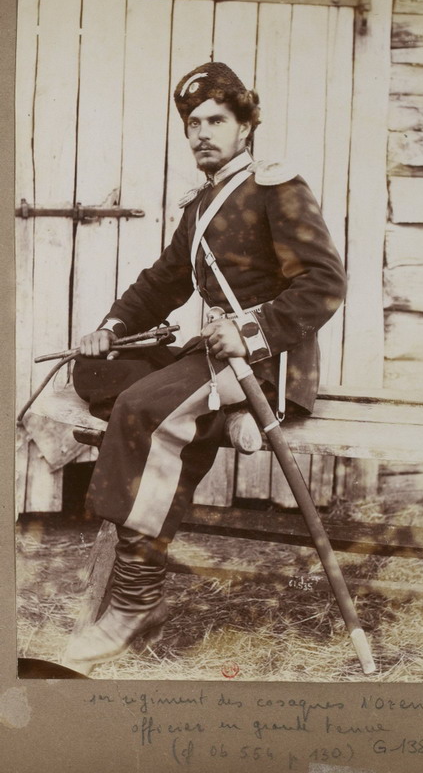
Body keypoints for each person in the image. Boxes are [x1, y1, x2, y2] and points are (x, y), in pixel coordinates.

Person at [62, 62, 347, 674]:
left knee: (142, 408)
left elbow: (325, 283)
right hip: (217, 354)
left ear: (246, 126)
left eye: (216, 120)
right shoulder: (201, 205)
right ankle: (223, 418)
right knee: (97, 375)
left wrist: (251, 332)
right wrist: (110, 328)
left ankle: (136, 602)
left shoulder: (276, 189)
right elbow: (163, 281)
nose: (202, 134)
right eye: (193, 123)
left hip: (268, 362)